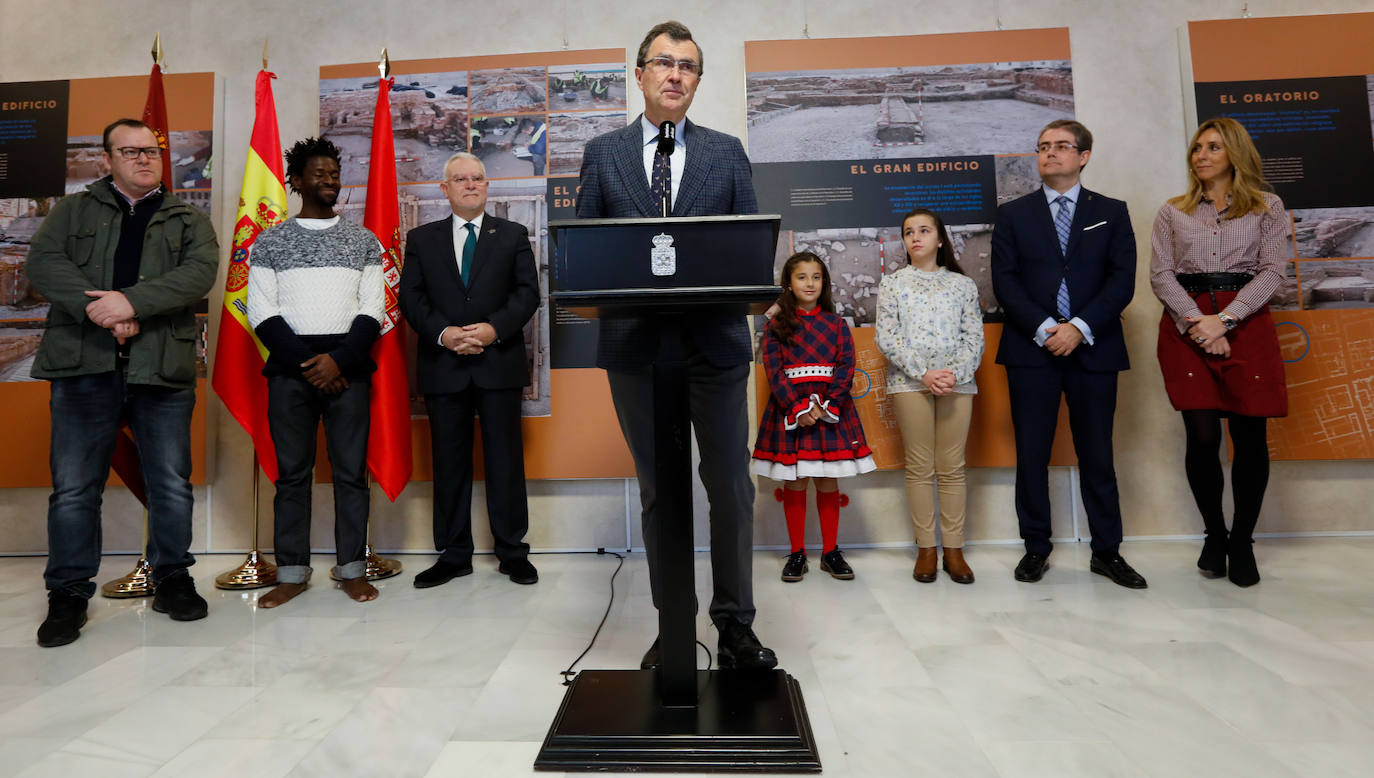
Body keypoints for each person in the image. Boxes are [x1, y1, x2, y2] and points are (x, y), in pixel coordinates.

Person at [577, 20, 776, 670]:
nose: (675, 74)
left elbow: (750, 252)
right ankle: (673, 630)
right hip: (637, 351)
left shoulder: (727, 153)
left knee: (732, 488)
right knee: (660, 491)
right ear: (639, 75)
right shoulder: (603, 153)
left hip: (714, 346)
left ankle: (736, 628)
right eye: (663, 62)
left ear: (696, 81)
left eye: (687, 66)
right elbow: (585, 252)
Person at [27, 118, 218, 646]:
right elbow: (45, 262)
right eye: (130, 151)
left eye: (151, 151)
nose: (143, 159)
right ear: (107, 159)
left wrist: (130, 303)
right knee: (74, 487)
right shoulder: (73, 210)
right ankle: (67, 595)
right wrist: (100, 311)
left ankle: (172, 579)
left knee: (171, 483)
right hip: (83, 365)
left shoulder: (187, 217)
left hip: (161, 367)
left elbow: (199, 273)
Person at [990, 119, 1147, 589]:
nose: (1050, 153)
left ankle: (1107, 552)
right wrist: (1046, 329)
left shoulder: (1111, 211)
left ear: (1084, 156)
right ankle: (1036, 548)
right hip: (1031, 350)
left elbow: (1122, 280)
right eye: (1043, 147)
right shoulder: (1013, 214)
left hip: (1093, 348)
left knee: (1097, 455)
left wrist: (1078, 328)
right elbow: (1005, 282)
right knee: (1031, 455)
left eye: (1061, 146)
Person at [1149, 117, 1290, 587]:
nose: (1201, 155)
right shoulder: (1173, 211)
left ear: (1235, 153)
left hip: (1245, 322)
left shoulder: (1267, 207)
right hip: (1186, 325)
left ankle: (1242, 541)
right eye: (1197, 147)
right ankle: (1215, 534)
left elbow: (1273, 271)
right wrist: (1199, 323)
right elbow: (1161, 275)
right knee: (1203, 437)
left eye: (1213, 147)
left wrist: (1225, 320)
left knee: (1249, 436)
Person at [246, 137, 384, 608]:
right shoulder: (270, 242)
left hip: (348, 372)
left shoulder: (363, 240)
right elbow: (262, 313)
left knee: (350, 475)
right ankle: (291, 573)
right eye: (319, 174)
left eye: (334, 174)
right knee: (292, 476)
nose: (329, 180)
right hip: (291, 375)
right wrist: (314, 366)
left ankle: (352, 571)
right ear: (297, 181)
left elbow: (372, 310)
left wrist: (338, 362)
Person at [399, 152, 540, 587]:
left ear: (487, 185)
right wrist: (444, 334)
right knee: (449, 462)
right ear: (445, 189)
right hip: (444, 364)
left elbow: (527, 293)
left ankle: (512, 552)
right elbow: (411, 298)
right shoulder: (422, 239)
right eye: (461, 179)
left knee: (505, 462)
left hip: (498, 363)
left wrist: (493, 330)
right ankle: (454, 554)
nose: (471, 184)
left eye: (477, 178)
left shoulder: (512, 234)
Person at [876, 209, 985, 584]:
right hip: (910, 383)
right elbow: (888, 337)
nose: (916, 237)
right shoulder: (892, 284)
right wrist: (923, 372)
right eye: (909, 232)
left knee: (952, 467)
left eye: (924, 231)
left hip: (958, 382)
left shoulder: (962, 285)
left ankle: (953, 549)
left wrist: (953, 373)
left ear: (940, 239)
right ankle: (926, 549)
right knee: (920, 467)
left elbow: (974, 338)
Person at [753, 253, 875, 582]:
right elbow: (774, 372)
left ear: (825, 283)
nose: (810, 283)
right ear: (789, 284)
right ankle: (797, 553)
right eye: (802, 277)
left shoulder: (837, 325)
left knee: (827, 480)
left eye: (816, 277)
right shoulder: (776, 326)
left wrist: (827, 406)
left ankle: (831, 552)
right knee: (795, 480)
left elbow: (846, 368)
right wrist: (797, 408)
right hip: (791, 413)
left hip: (830, 413)